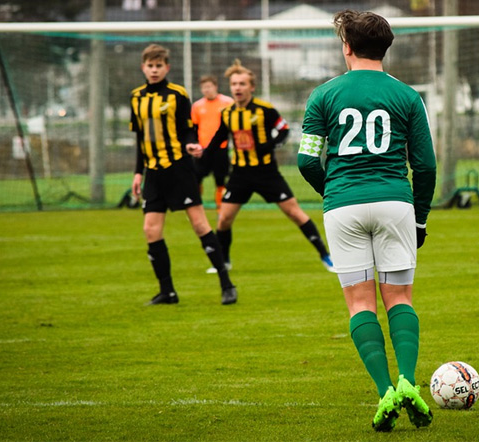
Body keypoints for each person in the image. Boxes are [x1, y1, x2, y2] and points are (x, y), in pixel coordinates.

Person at [297, 10, 437, 432]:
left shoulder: (322, 95)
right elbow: (426, 166)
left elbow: (306, 160)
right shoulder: (409, 97)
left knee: (360, 302)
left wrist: (336, 194)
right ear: (385, 48)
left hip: (342, 206)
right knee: (400, 297)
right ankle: (409, 382)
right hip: (396, 204)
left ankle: (384, 393)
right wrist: (420, 219)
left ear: (347, 47)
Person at [187, 59, 334, 273]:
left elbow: (284, 131)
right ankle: (224, 262)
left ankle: (326, 256)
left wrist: (269, 145)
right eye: (234, 84)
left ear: (251, 87)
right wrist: (201, 152)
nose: (238, 88)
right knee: (224, 219)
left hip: (267, 173)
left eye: (242, 84)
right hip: (239, 175)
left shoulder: (265, 110)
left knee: (295, 213)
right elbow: (218, 138)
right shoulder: (228, 113)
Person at [130, 44, 238, 306]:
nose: (154, 70)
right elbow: (140, 138)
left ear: (166, 68)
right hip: (153, 173)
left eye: (159, 66)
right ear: (143, 67)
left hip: (178, 169)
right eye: (150, 66)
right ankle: (167, 291)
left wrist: (191, 144)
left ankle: (226, 284)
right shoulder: (136, 97)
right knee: (150, 230)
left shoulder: (178, 95)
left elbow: (189, 129)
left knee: (200, 225)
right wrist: (137, 173)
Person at [191, 75, 234, 214]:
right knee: (196, 178)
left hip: (220, 149)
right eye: (204, 87)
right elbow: (194, 128)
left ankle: (221, 208)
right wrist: (195, 144)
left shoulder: (227, 102)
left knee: (220, 180)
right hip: (202, 149)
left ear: (215, 86)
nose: (206, 90)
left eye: (209, 86)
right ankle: (196, 206)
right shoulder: (197, 106)